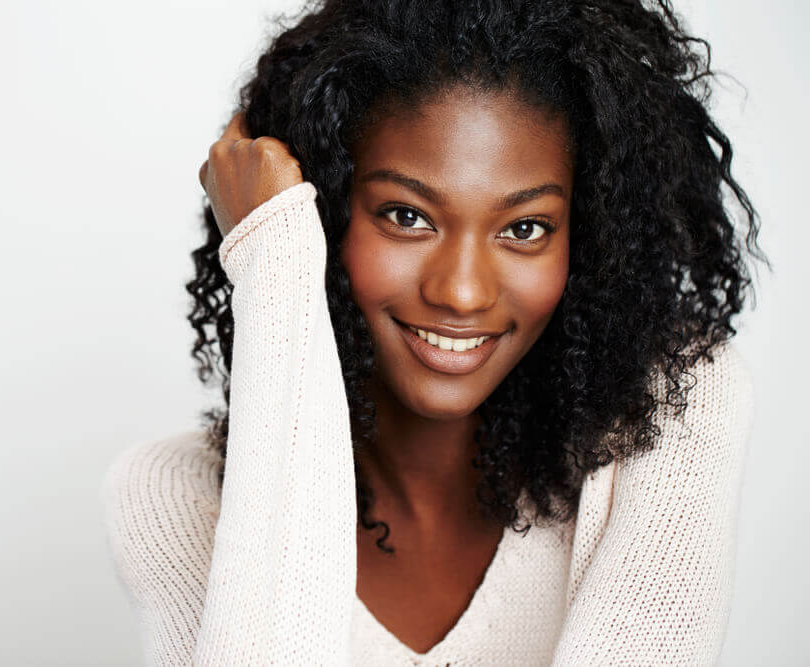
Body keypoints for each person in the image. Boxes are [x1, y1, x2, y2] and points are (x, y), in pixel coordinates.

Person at [102, 0, 769, 664]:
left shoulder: (672, 405)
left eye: (525, 228)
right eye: (406, 215)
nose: (461, 290)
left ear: (589, 238)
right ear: (326, 211)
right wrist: (274, 259)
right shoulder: (173, 496)